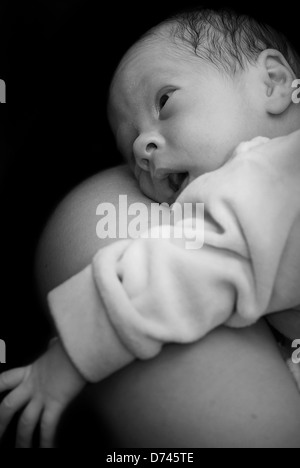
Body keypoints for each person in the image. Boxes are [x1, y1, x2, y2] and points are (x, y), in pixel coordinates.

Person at [1, 7, 300, 448]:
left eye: (164, 102)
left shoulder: (263, 178)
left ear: (273, 81)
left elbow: (179, 268)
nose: (143, 146)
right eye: (129, 147)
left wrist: (72, 354)